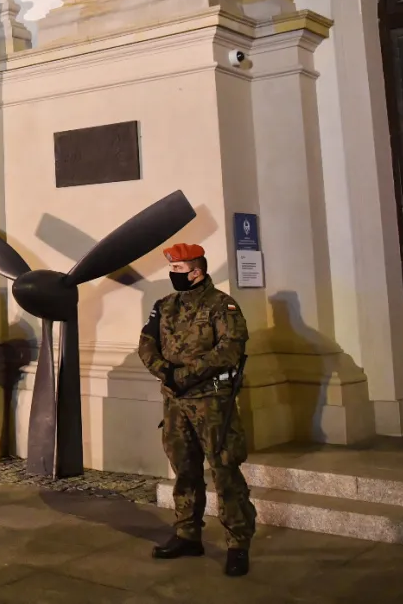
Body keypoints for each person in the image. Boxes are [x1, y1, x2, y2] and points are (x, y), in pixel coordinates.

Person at [138, 242, 255, 578]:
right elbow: (147, 343)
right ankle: (188, 534)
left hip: (211, 402)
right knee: (185, 470)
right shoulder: (165, 306)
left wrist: (183, 376)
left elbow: (230, 350)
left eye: (178, 270)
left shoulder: (223, 306)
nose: (172, 275)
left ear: (197, 271)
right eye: (172, 270)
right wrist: (166, 372)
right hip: (175, 402)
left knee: (225, 472)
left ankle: (237, 543)